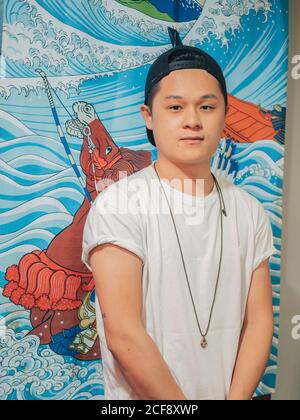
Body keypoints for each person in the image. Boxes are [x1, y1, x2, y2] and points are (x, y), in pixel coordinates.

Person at [81, 28, 276, 400]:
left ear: (224, 115)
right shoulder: (119, 205)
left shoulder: (248, 210)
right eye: (175, 106)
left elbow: (259, 322)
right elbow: (123, 333)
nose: (192, 120)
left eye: (206, 106)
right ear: (148, 117)